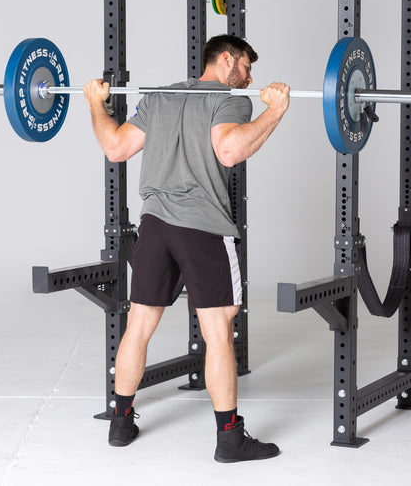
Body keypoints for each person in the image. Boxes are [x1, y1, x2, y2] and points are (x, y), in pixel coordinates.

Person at [82, 34, 290, 463]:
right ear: (227, 60)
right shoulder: (230, 100)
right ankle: (230, 438)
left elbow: (115, 146)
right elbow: (230, 151)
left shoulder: (159, 98)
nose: (250, 78)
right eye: (247, 68)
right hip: (202, 229)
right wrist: (277, 110)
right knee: (218, 333)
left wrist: (94, 102)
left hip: (155, 225)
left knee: (138, 325)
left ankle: (121, 422)